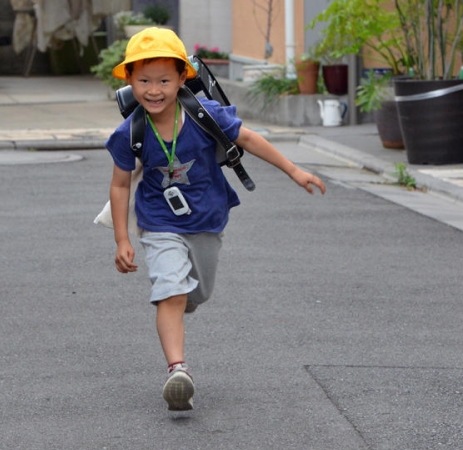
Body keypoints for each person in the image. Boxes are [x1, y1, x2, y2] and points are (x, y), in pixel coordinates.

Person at [105, 27, 326, 412]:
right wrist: (122, 240)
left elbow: (250, 139)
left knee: (198, 292)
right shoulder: (130, 132)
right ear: (129, 81)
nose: (153, 90)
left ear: (180, 80)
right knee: (171, 292)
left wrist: (294, 171)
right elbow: (121, 186)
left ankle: (179, 297)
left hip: (208, 218)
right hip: (159, 223)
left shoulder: (204, 115)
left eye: (163, 80)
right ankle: (178, 371)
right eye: (143, 80)